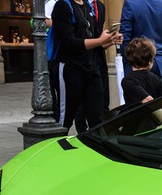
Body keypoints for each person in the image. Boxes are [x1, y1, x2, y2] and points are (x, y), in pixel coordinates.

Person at [51, 0, 122, 134]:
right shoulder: (63, 5)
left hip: (90, 68)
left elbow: (93, 41)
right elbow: (68, 42)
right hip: (70, 68)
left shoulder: (88, 6)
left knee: (97, 116)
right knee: (65, 118)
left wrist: (109, 41)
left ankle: (94, 149)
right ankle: (55, 149)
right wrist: (100, 41)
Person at [74, 0, 111, 133]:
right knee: (81, 105)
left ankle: (100, 132)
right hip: (83, 60)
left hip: (98, 59)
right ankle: (82, 133)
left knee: (102, 99)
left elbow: (97, 36)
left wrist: (109, 40)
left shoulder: (100, 6)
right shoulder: (76, 5)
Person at [119, 0, 162, 83]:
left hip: (135, 63)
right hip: (159, 62)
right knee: (159, 95)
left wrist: (128, 61)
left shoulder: (130, 4)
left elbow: (124, 39)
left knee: (136, 95)